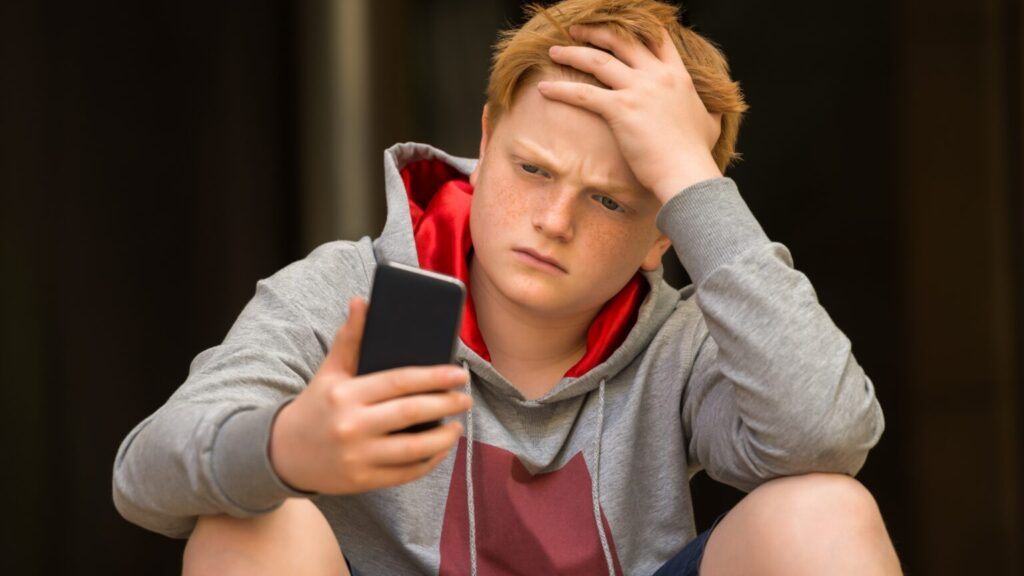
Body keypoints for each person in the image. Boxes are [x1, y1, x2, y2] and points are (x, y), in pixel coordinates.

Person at [113, 1, 902, 574]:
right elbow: (143, 477)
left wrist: (694, 179)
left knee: (823, 514)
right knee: (251, 528)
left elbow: (826, 435)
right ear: (486, 141)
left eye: (610, 200)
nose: (553, 219)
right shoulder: (360, 292)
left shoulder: (684, 340)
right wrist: (290, 448)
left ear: (667, 228)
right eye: (532, 169)